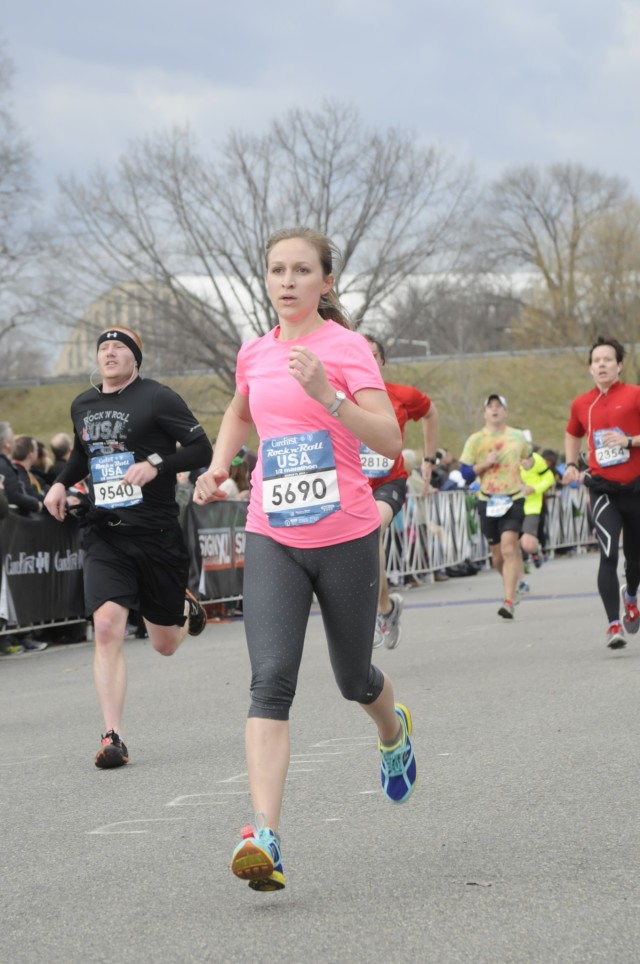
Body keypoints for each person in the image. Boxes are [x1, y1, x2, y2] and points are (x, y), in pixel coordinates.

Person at [195, 227, 417, 893]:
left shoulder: (345, 350)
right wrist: (216, 466)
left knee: (353, 678)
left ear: (326, 282)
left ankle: (393, 729)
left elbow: (390, 437)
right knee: (270, 681)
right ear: (266, 280)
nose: (287, 281)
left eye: (301, 271)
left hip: (345, 534)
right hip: (273, 535)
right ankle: (265, 833)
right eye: (276, 271)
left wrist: (329, 395)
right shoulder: (254, 353)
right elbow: (239, 412)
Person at [44, 325, 212, 767]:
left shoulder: (159, 397)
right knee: (106, 629)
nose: (111, 352)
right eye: (104, 348)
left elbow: (201, 449)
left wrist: (155, 464)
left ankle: (183, 602)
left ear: (136, 358)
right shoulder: (83, 403)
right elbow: (82, 455)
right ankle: (112, 736)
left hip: (155, 532)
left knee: (164, 645)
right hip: (105, 531)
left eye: (120, 347)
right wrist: (61, 484)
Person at [361, 334, 439, 648]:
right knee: (358, 547)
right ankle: (386, 609)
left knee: (371, 527)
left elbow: (431, 414)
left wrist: (429, 457)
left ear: (382, 362)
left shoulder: (401, 395)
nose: (366, 360)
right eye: (359, 354)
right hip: (350, 485)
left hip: (388, 481)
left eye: (373, 355)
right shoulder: (337, 396)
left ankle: (374, 615)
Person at [563, 335, 640, 649]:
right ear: (590, 369)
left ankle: (631, 596)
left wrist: (629, 442)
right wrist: (570, 463)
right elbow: (572, 433)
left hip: (635, 487)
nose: (602, 365)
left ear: (619, 365)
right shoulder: (582, 403)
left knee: (635, 558)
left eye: (608, 359)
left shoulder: (635, 395)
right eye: (597, 361)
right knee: (607, 553)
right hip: (602, 489)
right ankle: (612, 625)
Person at [459, 394, 531, 619]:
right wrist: (485, 464)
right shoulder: (476, 440)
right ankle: (510, 584)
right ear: (484, 413)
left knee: (510, 549)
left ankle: (508, 601)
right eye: (490, 407)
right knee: (497, 556)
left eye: (499, 406)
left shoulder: (518, 436)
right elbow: (465, 473)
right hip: (487, 499)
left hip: (513, 497)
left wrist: (529, 463)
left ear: (505, 412)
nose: (494, 410)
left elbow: (529, 458)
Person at [517, 449, 556, 592]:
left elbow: (549, 477)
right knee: (512, 544)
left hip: (532, 505)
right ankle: (521, 576)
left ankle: (533, 552)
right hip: (510, 505)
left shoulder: (537, 460)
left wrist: (535, 488)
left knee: (526, 543)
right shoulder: (507, 457)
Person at [0, 423, 43, 516]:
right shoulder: (3, 466)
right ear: (7, 444)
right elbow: (13, 495)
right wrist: (35, 504)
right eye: (12, 437)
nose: (14, 440)